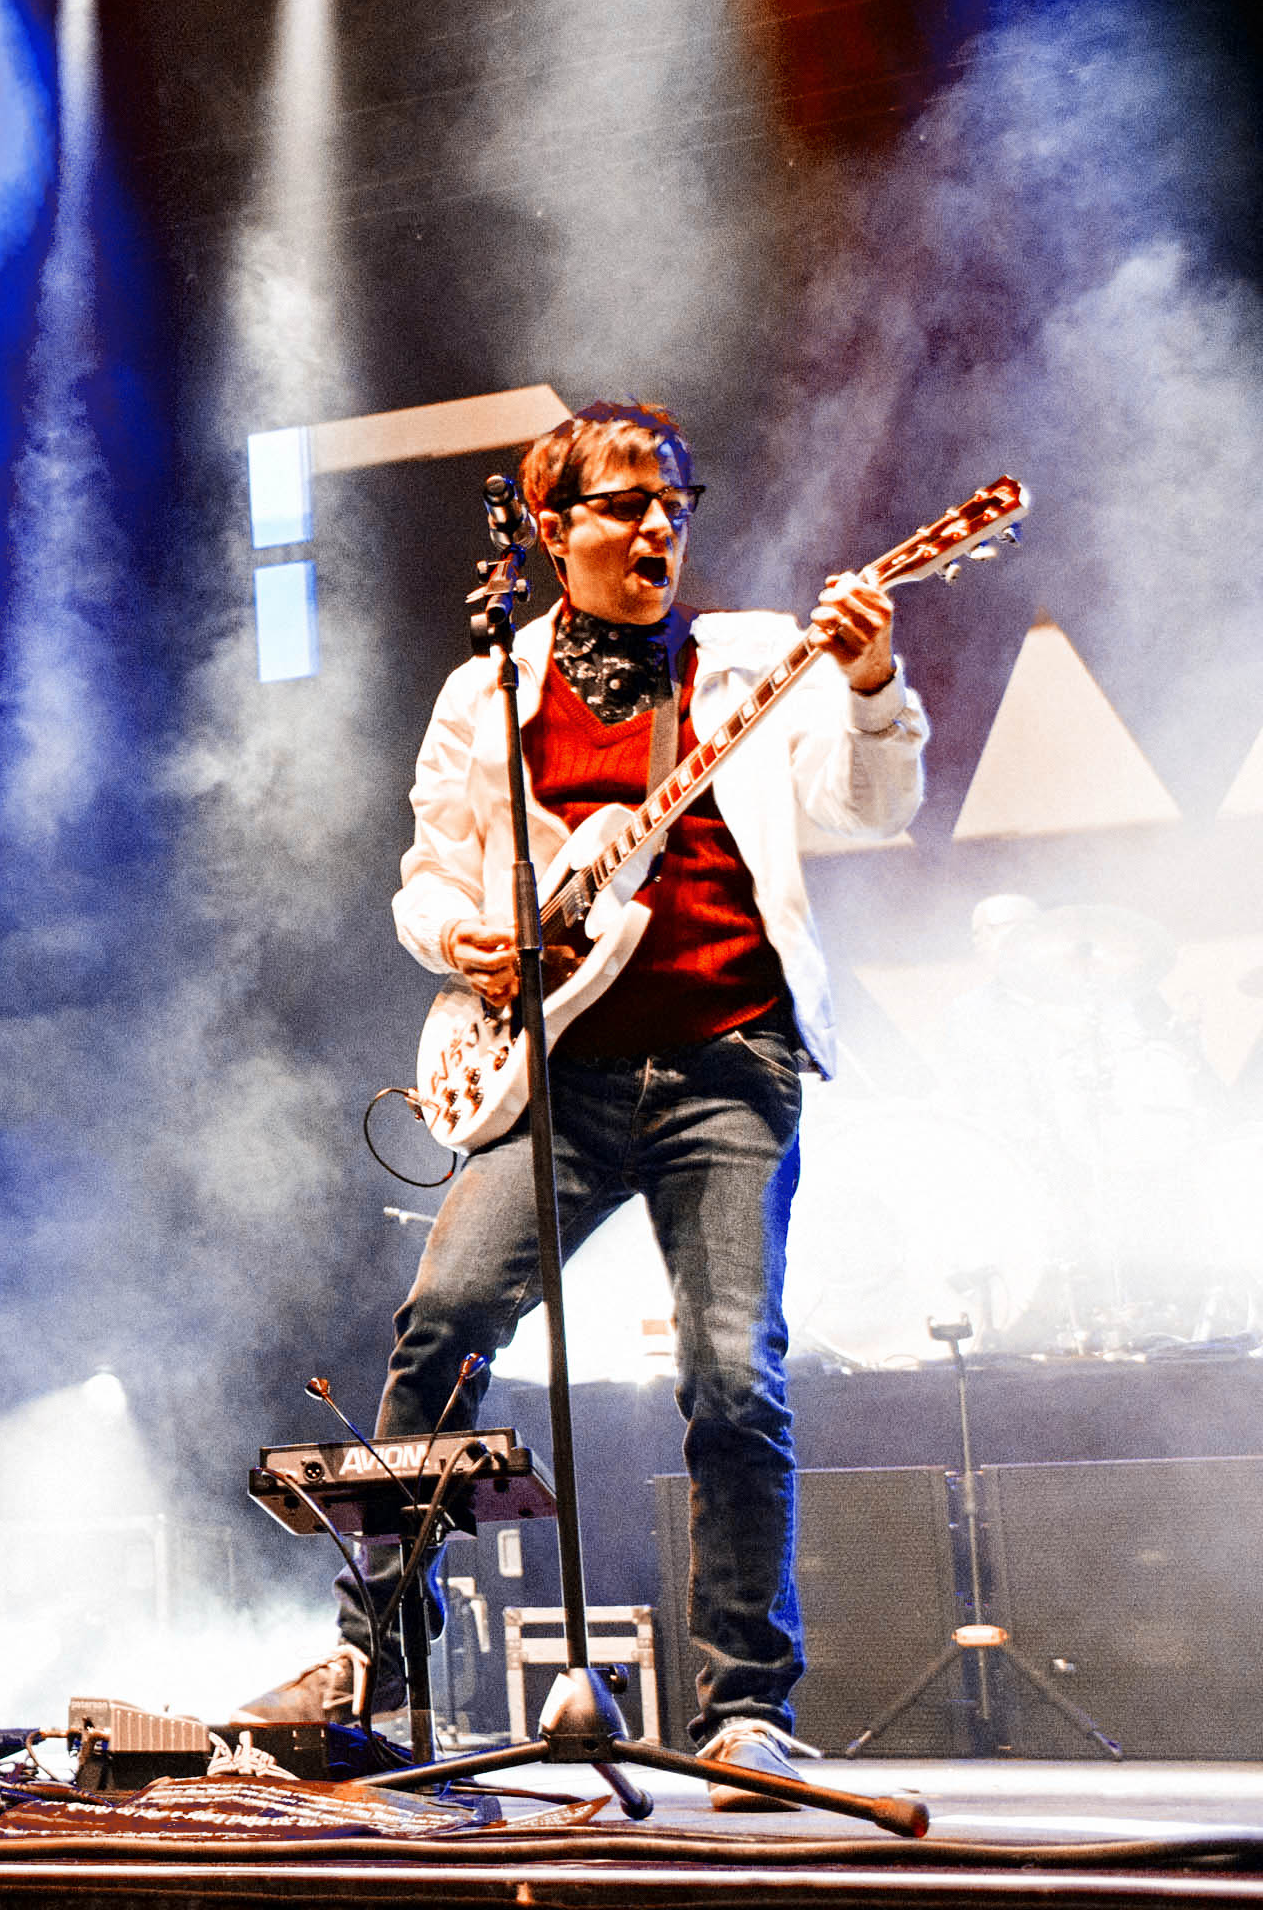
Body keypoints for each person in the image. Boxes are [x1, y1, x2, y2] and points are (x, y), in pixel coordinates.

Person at [238, 404, 926, 1803]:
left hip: (730, 1062)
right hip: (557, 1072)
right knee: (439, 1329)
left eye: (676, 500)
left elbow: (869, 808)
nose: (660, 524)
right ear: (553, 531)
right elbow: (429, 879)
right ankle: (380, 1658)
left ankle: (747, 1708)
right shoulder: (486, 689)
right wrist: (466, 937)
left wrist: (868, 681)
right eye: (624, 504)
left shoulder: (751, 658)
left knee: (732, 1375)